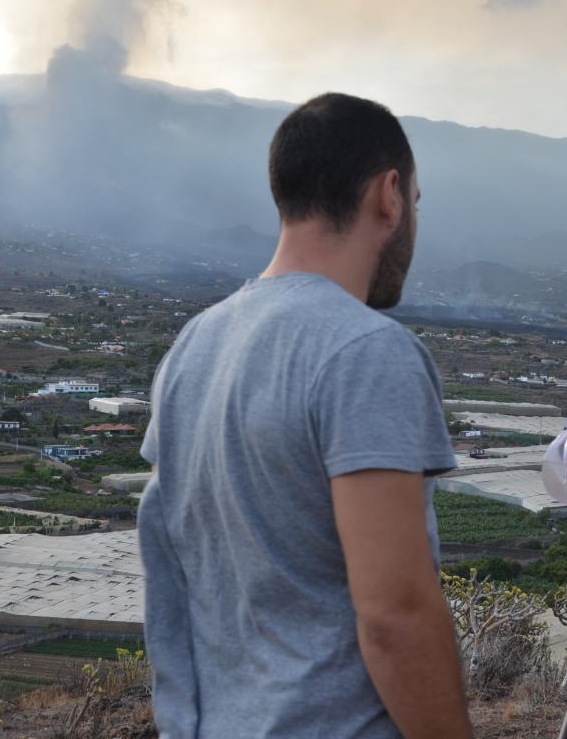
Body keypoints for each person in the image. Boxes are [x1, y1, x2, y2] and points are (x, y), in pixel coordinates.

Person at [138, 93, 472, 738]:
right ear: (389, 194)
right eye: (417, 202)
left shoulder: (195, 342)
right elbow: (394, 615)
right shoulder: (367, 350)